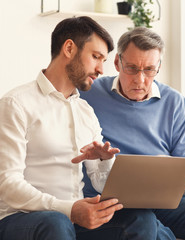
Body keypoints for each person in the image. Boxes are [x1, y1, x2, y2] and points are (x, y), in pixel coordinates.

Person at [0, 17, 176, 240]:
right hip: (22, 219)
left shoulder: (85, 112)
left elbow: (100, 183)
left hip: (73, 218)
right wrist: (68, 209)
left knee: (141, 218)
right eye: (96, 57)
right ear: (70, 48)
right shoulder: (16, 104)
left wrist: (104, 161)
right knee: (56, 221)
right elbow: (7, 183)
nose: (101, 69)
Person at [79, 27, 185, 239]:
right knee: (143, 222)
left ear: (159, 67)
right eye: (132, 68)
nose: (140, 79)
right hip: (109, 205)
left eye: (149, 70)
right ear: (117, 63)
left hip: (165, 204)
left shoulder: (175, 103)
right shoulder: (88, 94)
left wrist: (166, 169)